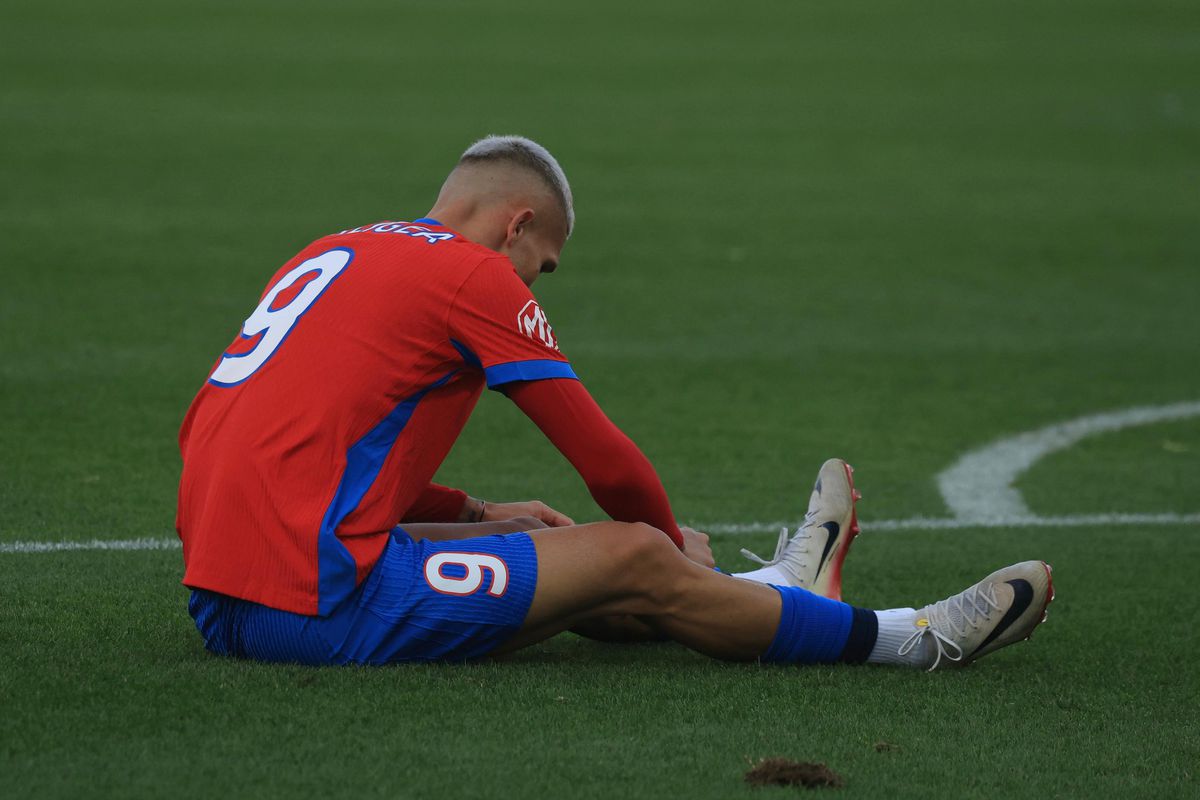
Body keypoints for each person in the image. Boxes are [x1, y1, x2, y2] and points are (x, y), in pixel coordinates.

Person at [176, 135, 1053, 670]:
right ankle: (910, 638)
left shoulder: (334, 247)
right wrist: (668, 544)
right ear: (516, 224)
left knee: (549, 544)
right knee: (632, 552)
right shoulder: (471, 273)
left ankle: (776, 591)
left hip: (224, 596)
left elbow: (291, 444)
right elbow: (606, 463)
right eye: (543, 262)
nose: (537, 281)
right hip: (317, 606)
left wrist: (477, 510)